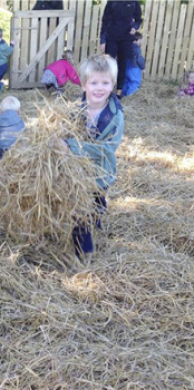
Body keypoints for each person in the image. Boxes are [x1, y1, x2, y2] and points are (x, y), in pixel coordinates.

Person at [62, 54, 124, 257]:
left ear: (112, 84)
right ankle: (84, 249)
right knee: (80, 208)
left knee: (96, 199)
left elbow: (107, 149)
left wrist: (70, 146)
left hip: (100, 171)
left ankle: (98, 210)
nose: (99, 88)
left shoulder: (115, 117)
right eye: (94, 82)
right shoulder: (74, 109)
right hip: (77, 171)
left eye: (105, 83)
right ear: (83, 85)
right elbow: (63, 131)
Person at [100, 0, 142, 99]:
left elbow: (139, 19)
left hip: (126, 38)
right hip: (111, 37)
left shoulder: (134, 2)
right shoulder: (112, 2)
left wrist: (134, 28)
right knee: (109, 64)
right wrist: (102, 40)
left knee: (122, 64)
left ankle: (119, 91)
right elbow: (105, 21)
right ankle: (107, 90)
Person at [122, 32, 145, 97]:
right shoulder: (136, 48)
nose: (141, 42)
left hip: (125, 67)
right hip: (134, 68)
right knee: (134, 82)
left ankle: (124, 96)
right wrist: (143, 67)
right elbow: (139, 59)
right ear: (136, 40)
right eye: (140, 40)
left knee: (126, 82)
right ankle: (130, 97)